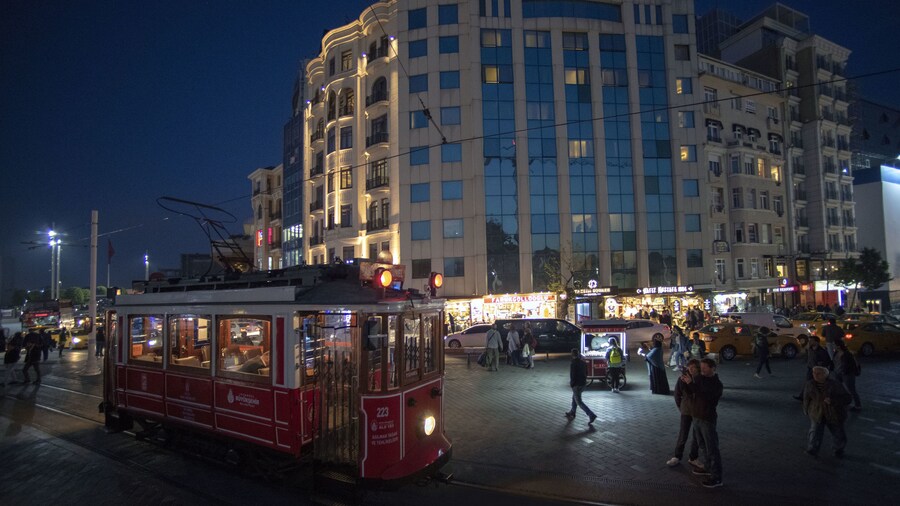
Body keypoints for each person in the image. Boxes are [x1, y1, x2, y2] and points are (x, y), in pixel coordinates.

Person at [684, 358, 724, 488]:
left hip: (707, 418)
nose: (702, 369)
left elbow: (706, 397)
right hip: (696, 416)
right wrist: (686, 382)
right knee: (702, 445)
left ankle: (717, 477)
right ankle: (707, 467)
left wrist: (691, 385)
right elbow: (692, 392)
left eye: (705, 367)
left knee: (712, 447)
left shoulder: (716, 384)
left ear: (713, 368)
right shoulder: (700, 378)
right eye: (701, 367)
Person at [803, 365, 851, 457]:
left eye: (818, 373)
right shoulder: (810, 384)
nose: (815, 375)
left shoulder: (835, 384)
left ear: (825, 374)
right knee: (815, 432)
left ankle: (838, 449)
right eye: (814, 373)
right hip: (817, 412)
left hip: (833, 412)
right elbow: (806, 398)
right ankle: (813, 449)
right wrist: (806, 410)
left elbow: (847, 398)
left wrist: (833, 401)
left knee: (838, 432)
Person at [667, 359, 702, 467]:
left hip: (698, 411)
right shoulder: (682, 379)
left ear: (698, 369)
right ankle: (677, 456)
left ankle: (693, 457)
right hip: (686, 410)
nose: (691, 370)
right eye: (689, 368)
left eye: (693, 368)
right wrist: (680, 406)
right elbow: (677, 394)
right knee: (683, 434)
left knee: (696, 435)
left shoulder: (701, 379)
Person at [565, 349, 597, 426]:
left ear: (572, 355)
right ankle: (572, 412)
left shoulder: (573, 363)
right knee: (574, 398)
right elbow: (586, 372)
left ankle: (591, 415)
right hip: (583, 383)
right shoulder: (583, 362)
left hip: (577, 384)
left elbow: (573, 375)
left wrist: (572, 384)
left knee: (579, 401)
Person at [794, 336, 832, 400]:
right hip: (811, 369)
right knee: (808, 383)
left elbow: (827, 361)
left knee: (820, 384)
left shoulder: (822, 351)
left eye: (811, 340)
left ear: (816, 342)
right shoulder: (810, 349)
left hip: (818, 371)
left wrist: (821, 365)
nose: (809, 342)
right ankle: (803, 396)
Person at [833, 340, 862, 411]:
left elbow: (851, 365)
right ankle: (842, 402)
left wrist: (844, 371)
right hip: (838, 372)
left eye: (834, 344)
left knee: (851, 389)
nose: (833, 346)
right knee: (838, 388)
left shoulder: (847, 354)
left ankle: (858, 405)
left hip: (847, 373)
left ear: (838, 346)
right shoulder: (836, 352)